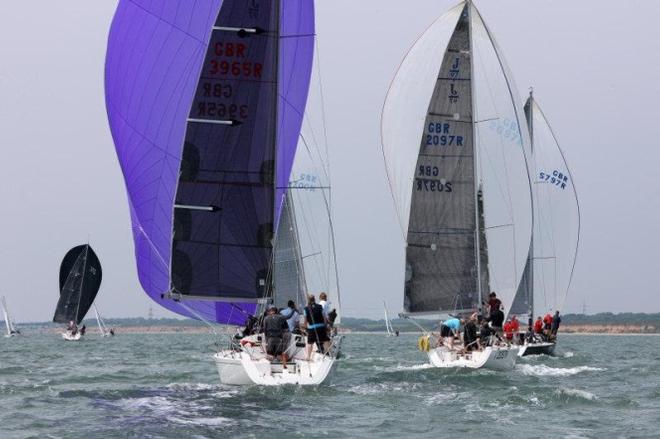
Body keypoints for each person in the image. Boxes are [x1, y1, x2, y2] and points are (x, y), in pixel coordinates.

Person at [303, 294, 330, 360]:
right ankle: (327, 354)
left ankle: (308, 357)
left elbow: (305, 320)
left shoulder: (305, 309)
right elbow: (324, 317)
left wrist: (304, 327)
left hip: (312, 328)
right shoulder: (320, 306)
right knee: (325, 340)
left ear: (308, 300)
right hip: (321, 327)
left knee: (310, 343)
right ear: (314, 299)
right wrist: (325, 326)